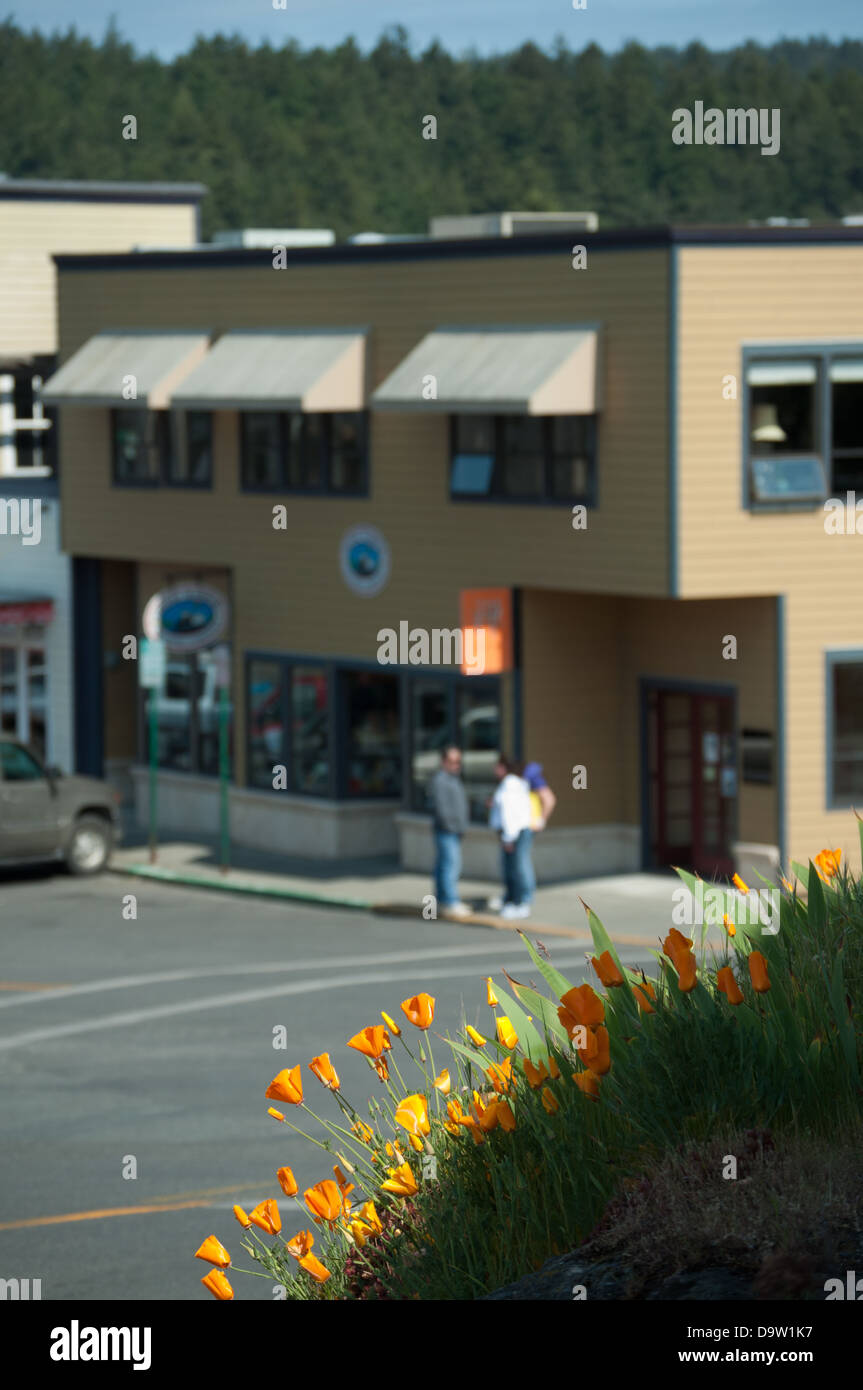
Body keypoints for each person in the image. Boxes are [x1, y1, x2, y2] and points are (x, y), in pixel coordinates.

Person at [488, 754, 532, 919]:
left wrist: (508, 837)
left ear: (504, 767)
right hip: (515, 833)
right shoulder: (513, 783)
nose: (494, 770)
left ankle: (519, 903)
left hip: (514, 833)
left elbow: (510, 814)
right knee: (512, 868)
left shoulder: (510, 784)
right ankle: (511, 899)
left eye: (497, 766)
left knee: (516, 869)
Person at [429, 746, 471, 916]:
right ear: (443, 762)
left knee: (444, 866)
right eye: (452, 761)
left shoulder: (454, 779)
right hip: (447, 831)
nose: (456, 765)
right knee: (450, 866)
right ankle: (450, 902)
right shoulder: (441, 780)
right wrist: (452, 826)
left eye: (458, 762)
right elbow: (442, 808)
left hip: (454, 831)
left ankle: (442, 901)